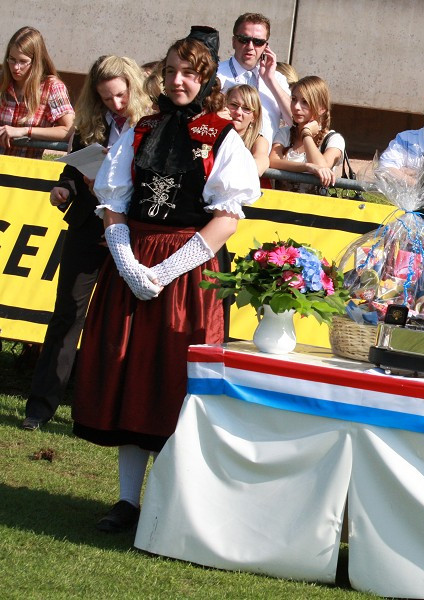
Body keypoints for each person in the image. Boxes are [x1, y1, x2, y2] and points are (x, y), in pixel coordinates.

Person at [71, 27, 260, 533]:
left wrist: (165, 270)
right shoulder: (140, 129)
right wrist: (130, 265)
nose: (177, 81)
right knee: (128, 373)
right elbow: (112, 204)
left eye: (189, 74)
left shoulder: (221, 135)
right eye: (171, 71)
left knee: (175, 381)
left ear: (205, 79)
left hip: (186, 276)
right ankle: (127, 502)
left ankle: (173, 498)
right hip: (131, 264)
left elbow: (226, 217)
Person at [21, 55, 151, 431]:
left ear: (133, 87)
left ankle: (107, 412)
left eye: (121, 96)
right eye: (106, 98)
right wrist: (65, 186)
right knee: (66, 316)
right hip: (87, 229)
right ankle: (40, 409)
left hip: (132, 232)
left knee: (120, 326)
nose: (115, 104)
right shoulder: (91, 122)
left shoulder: (151, 123)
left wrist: (116, 182)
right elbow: (75, 167)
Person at [217, 13, 292, 143]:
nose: (250, 46)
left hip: (264, 160)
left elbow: (294, 121)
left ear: (265, 47)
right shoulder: (216, 73)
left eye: (258, 42)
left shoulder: (277, 79)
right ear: (234, 42)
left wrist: (270, 80)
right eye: (244, 39)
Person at [0, 26, 73, 159]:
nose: (16, 67)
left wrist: (25, 131)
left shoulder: (52, 87)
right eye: (12, 59)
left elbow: (69, 130)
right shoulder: (2, 81)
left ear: (36, 62)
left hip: (26, 171)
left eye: (23, 62)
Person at [269, 76, 345, 193]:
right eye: (294, 99)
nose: (296, 107)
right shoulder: (285, 133)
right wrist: (306, 167)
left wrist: (306, 134)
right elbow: (272, 161)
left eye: (305, 102)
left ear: (322, 108)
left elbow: (322, 166)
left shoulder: (333, 139)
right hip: (280, 205)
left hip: (313, 209)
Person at [225, 84, 269, 176]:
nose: (238, 112)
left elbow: (260, 163)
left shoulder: (259, 141)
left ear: (254, 117)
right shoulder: (212, 131)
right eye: (233, 105)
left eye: (246, 108)